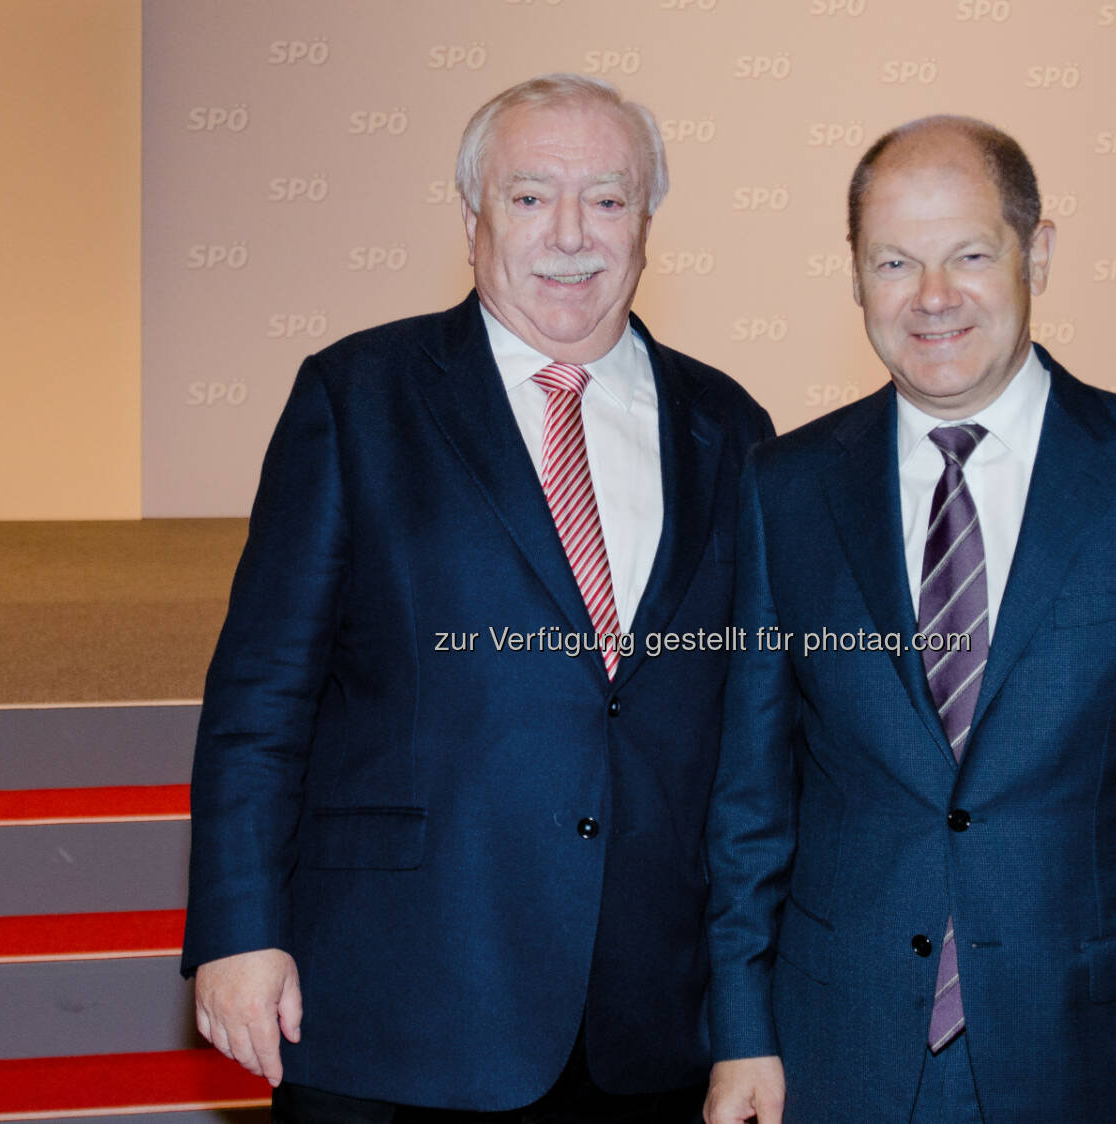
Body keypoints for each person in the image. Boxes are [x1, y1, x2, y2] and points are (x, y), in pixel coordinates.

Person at [181, 73, 772, 1120]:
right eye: (530, 195)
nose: (571, 235)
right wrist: (236, 925)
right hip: (393, 1004)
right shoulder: (357, 396)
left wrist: (750, 1008)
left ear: (647, 223)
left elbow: (753, 740)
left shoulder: (732, 427)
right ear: (471, 219)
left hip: (647, 1024)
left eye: (608, 198)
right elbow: (262, 693)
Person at [702, 116, 1116, 1124]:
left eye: (971, 254)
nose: (933, 297)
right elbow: (751, 799)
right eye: (894, 260)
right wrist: (741, 1029)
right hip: (835, 1050)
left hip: (1095, 1049)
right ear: (854, 277)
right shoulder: (782, 489)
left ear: (1041, 252)